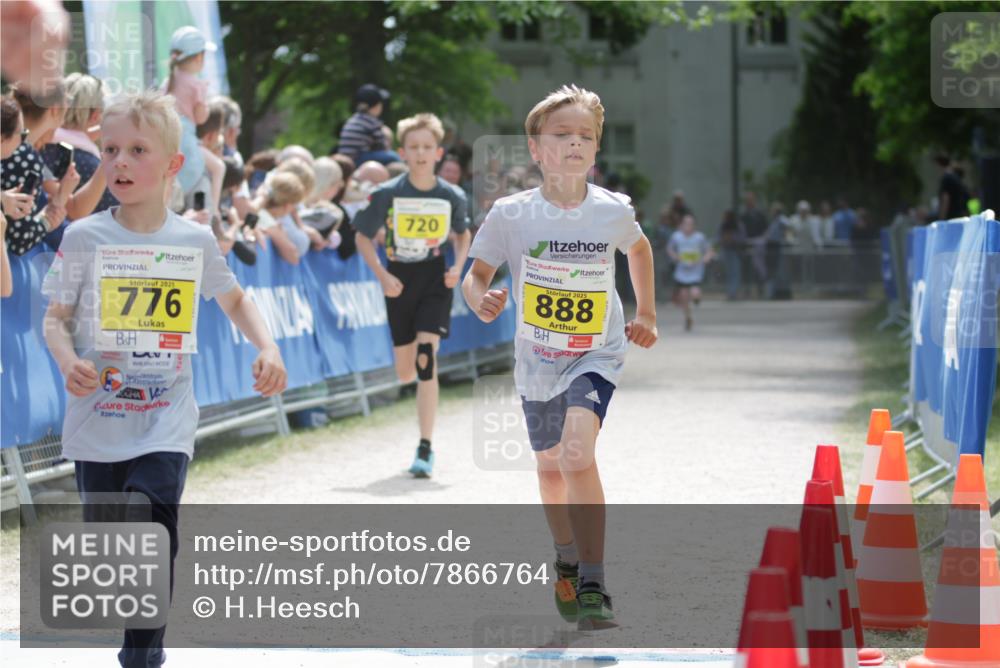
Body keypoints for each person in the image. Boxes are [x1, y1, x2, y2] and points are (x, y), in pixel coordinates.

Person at [41, 89, 286, 668]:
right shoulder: (84, 238)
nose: (120, 162)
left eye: (137, 150)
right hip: (98, 422)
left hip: (165, 420)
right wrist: (65, 360)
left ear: (173, 164)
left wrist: (268, 346)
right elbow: (54, 319)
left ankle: (141, 655)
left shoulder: (193, 241)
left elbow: (235, 300)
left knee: (148, 523)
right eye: (110, 150)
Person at [462, 85, 657, 627]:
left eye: (586, 137)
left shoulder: (612, 211)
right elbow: (475, 275)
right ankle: (566, 560)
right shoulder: (510, 215)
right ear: (535, 148)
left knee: (576, 453)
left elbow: (638, 249)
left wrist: (647, 313)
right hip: (537, 361)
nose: (575, 144)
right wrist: (482, 300)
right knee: (549, 468)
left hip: (596, 353)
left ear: (596, 151)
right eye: (562, 135)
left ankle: (594, 580)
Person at [353, 112, 472, 478]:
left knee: (426, 359)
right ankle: (413, 392)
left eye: (427, 147)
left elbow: (462, 233)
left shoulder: (451, 194)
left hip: (434, 278)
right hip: (400, 279)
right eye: (413, 147)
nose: (420, 154)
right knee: (405, 372)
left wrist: (458, 267)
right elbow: (361, 237)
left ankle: (425, 446)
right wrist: (382, 275)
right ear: (402, 152)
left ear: (438, 153)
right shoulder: (388, 193)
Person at [1, 89, 75, 255]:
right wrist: (48, 220)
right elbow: (21, 240)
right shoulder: (24, 154)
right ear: (55, 109)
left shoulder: (16, 148)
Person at [164, 25, 223, 212]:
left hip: (168, 140)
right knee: (204, 178)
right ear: (199, 57)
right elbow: (200, 117)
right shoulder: (197, 85)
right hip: (187, 142)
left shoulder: (167, 82)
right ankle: (207, 216)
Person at [667, 213, 715, 330]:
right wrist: (675, 257)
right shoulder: (676, 236)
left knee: (694, 293)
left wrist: (705, 259)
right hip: (682, 272)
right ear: (682, 225)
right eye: (686, 223)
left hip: (695, 272)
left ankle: (697, 299)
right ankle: (688, 317)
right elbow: (670, 249)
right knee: (683, 296)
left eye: (691, 224)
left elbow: (709, 250)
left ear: (694, 225)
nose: (688, 226)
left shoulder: (700, 237)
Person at [336, 84, 402, 166]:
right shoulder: (371, 121)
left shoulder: (353, 119)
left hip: (346, 158)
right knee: (393, 156)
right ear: (377, 106)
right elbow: (382, 145)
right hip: (358, 158)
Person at [740, 191, 768, 298]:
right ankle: (747, 291)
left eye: (751, 200)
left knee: (758, 268)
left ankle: (760, 290)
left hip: (758, 244)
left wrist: (761, 240)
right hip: (747, 244)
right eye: (747, 200)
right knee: (746, 268)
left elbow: (765, 229)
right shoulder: (743, 215)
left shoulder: (760, 215)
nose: (749, 202)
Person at [716, 209, 745, 300]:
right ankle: (730, 293)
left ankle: (733, 292)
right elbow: (718, 238)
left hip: (736, 251)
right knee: (729, 273)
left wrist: (733, 238)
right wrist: (724, 239)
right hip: (726, 251)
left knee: (735, 272)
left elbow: (742, 238)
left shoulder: (738, 225)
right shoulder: (723, 225)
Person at [936, 155, 969, 220]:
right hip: (961, 212)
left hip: (952, 215)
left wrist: (942, 218)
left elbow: (946, 199)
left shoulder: (946, 178)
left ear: (939, 165)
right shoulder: (955, 177)